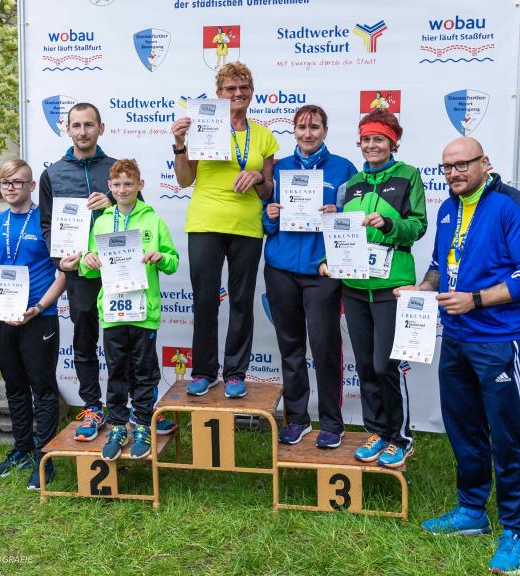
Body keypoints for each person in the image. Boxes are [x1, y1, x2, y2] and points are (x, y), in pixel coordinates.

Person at [401, 137, 520, 575]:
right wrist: (420, 290)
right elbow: (439, 266)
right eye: (447, 167)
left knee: (507, 435)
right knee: (463, 427)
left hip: (500, 339)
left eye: (462, 164)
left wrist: (476, 300)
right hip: (456, 336)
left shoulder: (511, 206)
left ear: (485, 162)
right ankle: (471, 510)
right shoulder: (449, 207)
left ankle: (515, 532)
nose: (454, 173)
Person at [319, 110, 427, 467]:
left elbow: (418, 226)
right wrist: (328, 260)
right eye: (366, 139)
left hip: (391, 285)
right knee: (366, 366)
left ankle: (401, 438)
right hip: (354, 286)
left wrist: (389, 223)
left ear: (393, 142)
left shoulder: (408, 176)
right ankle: (378, 432)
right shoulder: (351, 183)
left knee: (385, 365)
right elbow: (343, 233)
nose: (371, 145)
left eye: (378, 139)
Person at [171, 62, 278, 399]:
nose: (237, 94)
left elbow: (268, 189)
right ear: (218, 94)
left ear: (252, 92)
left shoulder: (264, 136)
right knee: (205, 300)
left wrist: (258, 177)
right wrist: (179, 143)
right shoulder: (203, 126)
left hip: (247, 226)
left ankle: (235, 373)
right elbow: (184, 180)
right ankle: (204, 372)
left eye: (243, 88)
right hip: (205, 222)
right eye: (230, 88)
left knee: (242, 301)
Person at [262, 105, 356, 448]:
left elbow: (354, 219)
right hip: (281, 268)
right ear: (294, 131)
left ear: (325, 130)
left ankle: (331, 422)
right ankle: (297, 419)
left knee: (325, 346)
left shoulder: (344, 168)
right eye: (301, 127)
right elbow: (264, 221)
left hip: (322, 270)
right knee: (290, 347)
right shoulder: (279, 168)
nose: (307, 133)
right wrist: (270, 214)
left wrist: (338, 212)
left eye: (314, 127)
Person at [74, 159, 178, 459]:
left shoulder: (152, 219)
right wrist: (88, 260)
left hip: (144, 312)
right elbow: (88, 267)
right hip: (112, 311)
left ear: (140, 185)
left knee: (144, 372)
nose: (122, 189)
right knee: (117, 370)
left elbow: (172, 262)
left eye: (129, 184)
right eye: (117, 184)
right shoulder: (102, 222)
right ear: (109, 187)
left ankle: (143, 423)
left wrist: (161, 257)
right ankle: (118, 425)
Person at [0, 160, 67, 490]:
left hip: (38, 317)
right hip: (2, 316)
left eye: (18, 182)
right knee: (14, 386)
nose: (10, 187)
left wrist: (40, 306)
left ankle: (45, 456)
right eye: (5, 182)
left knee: (42, 389)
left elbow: (64, 273)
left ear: (32, 186)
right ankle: (22, 449)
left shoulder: (47, 222)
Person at [39, 102, 122, 441]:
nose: (83, 131)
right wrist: (59, 261)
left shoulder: (117, 169)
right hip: (79, 272)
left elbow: (141, 211)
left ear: (101, 128)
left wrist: (113, 202)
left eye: (89, 125)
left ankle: (121, 407)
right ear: (68, 129)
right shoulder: (52, 174)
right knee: (84, 339)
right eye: (77, 125)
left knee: (120, 339)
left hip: (118, 267)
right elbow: (47, 226)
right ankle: (92, 405)